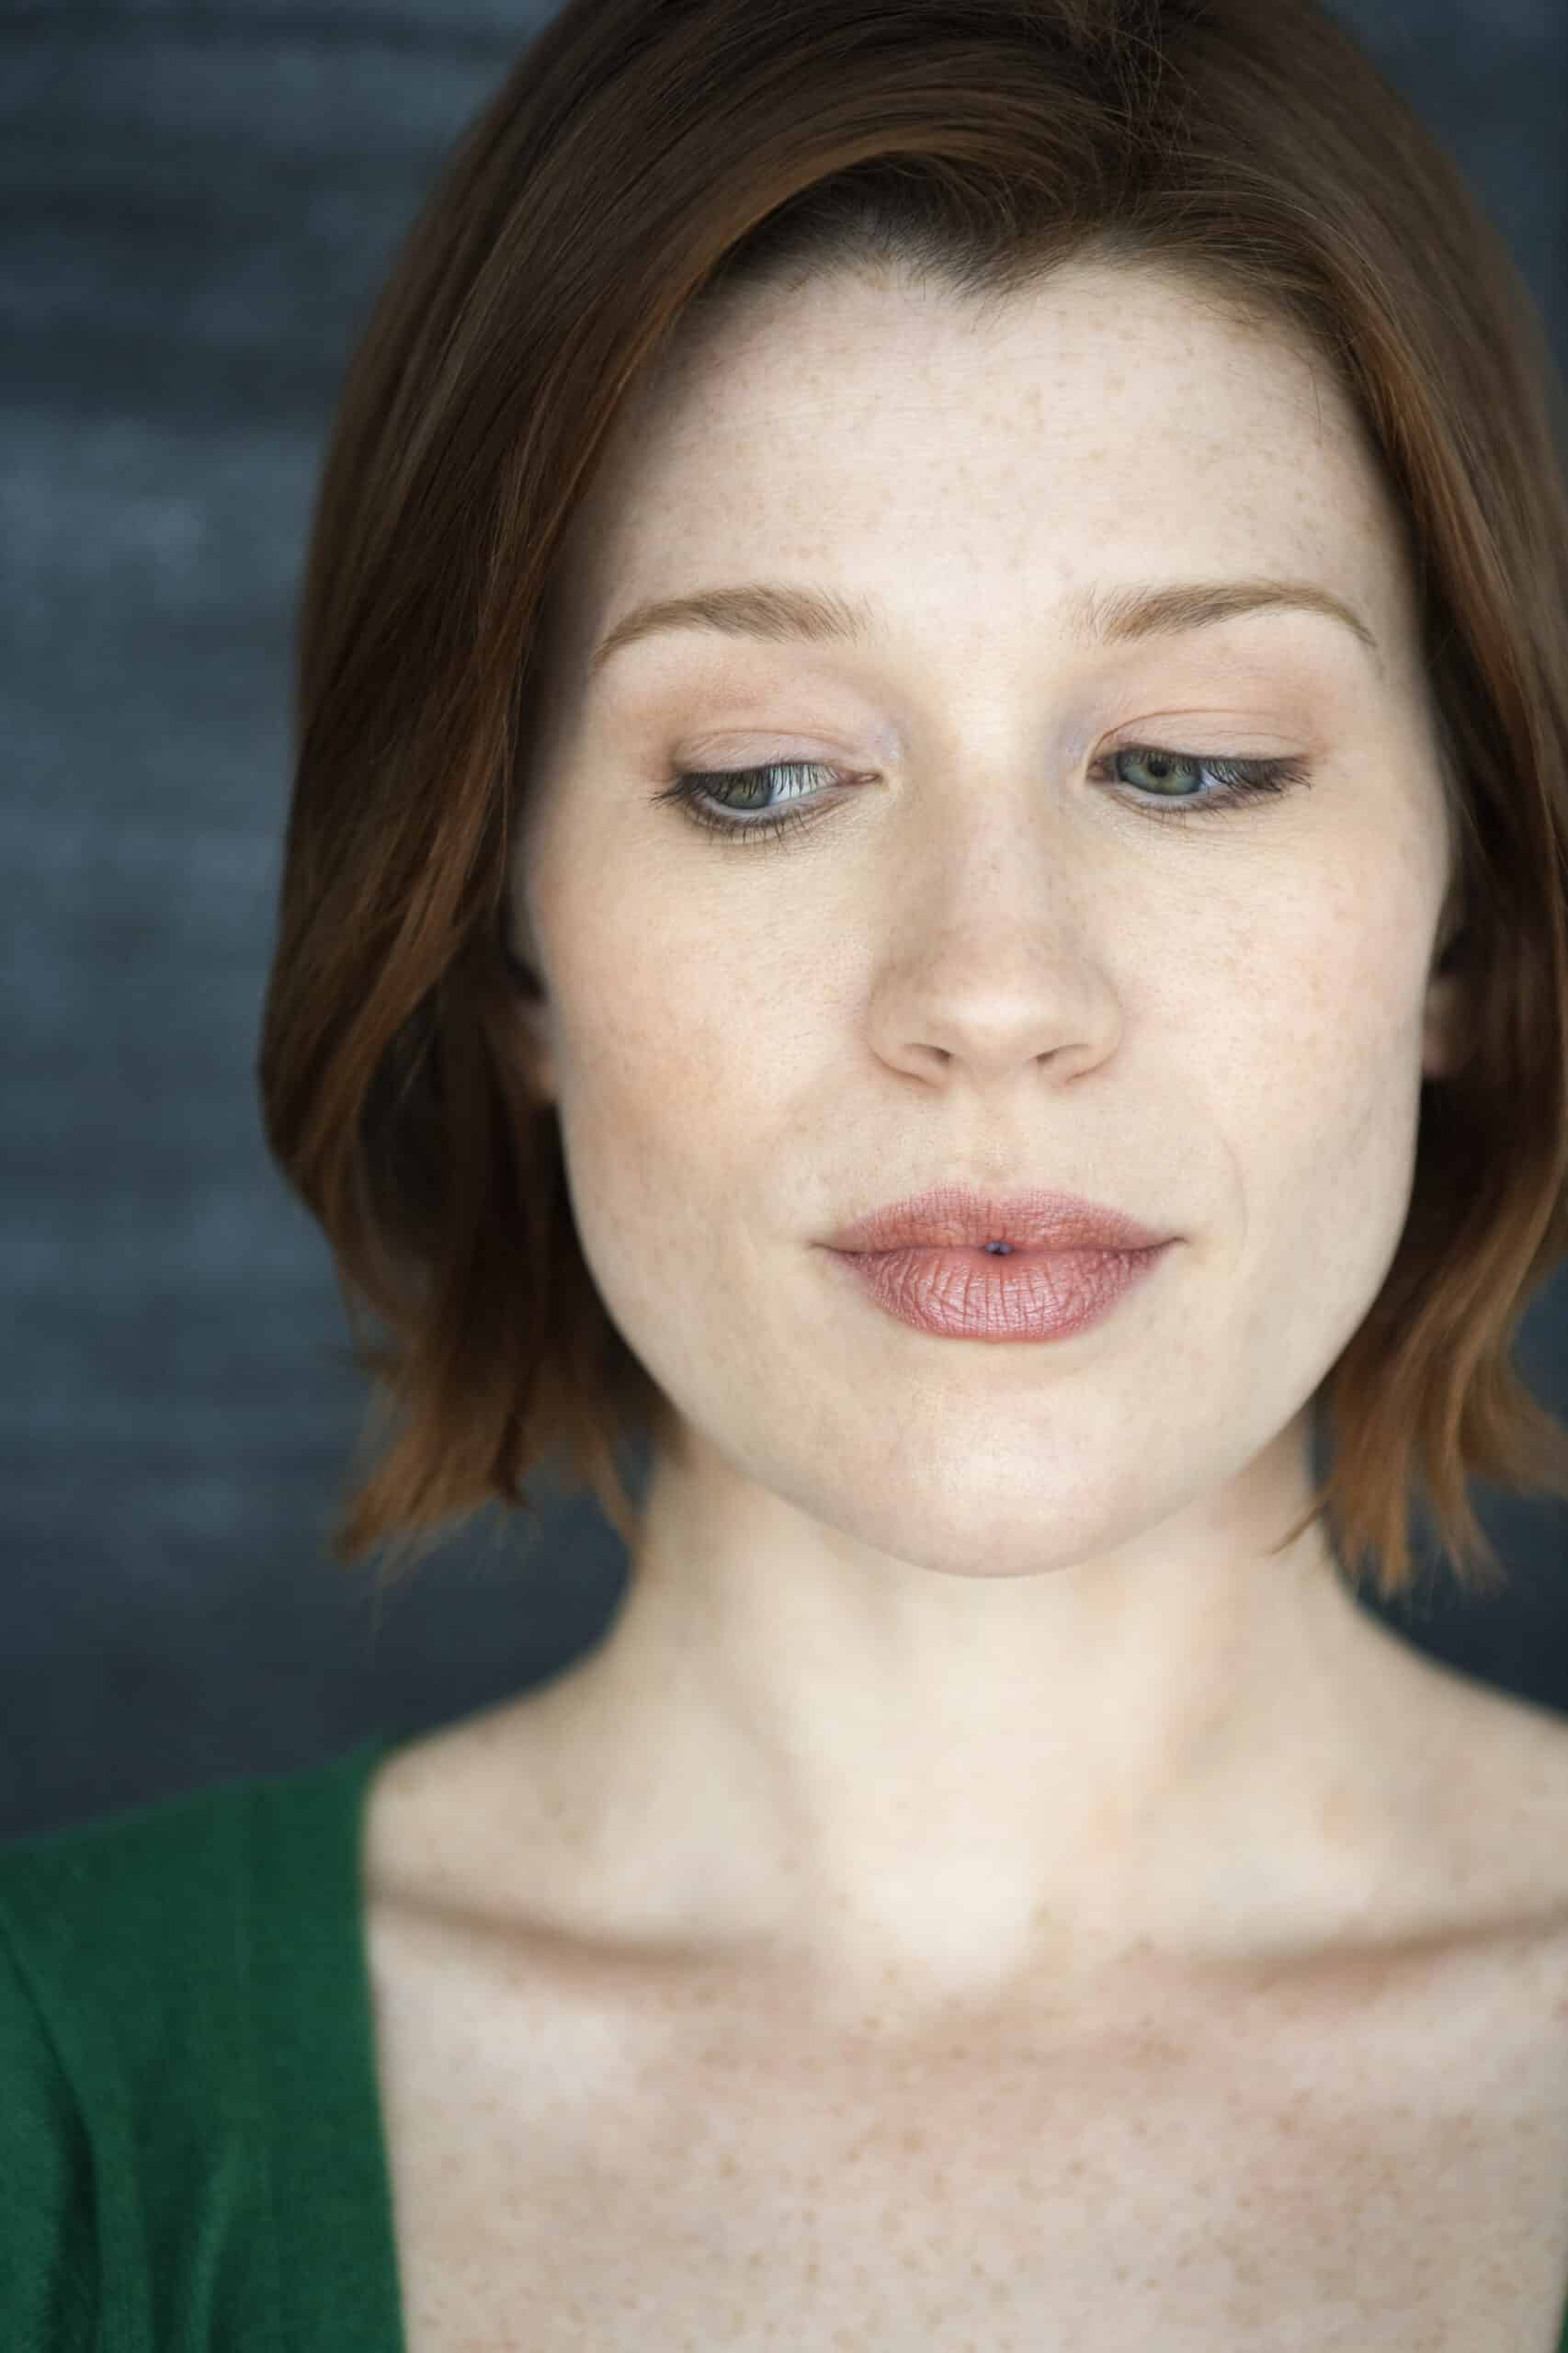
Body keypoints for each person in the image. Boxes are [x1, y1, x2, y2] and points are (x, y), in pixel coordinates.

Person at [6, 0, 1568, 2346]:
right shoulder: (64, 2104)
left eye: (1189, 760)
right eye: (754, 778)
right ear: (501, 935)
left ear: (1466, 916)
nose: (991, 985)